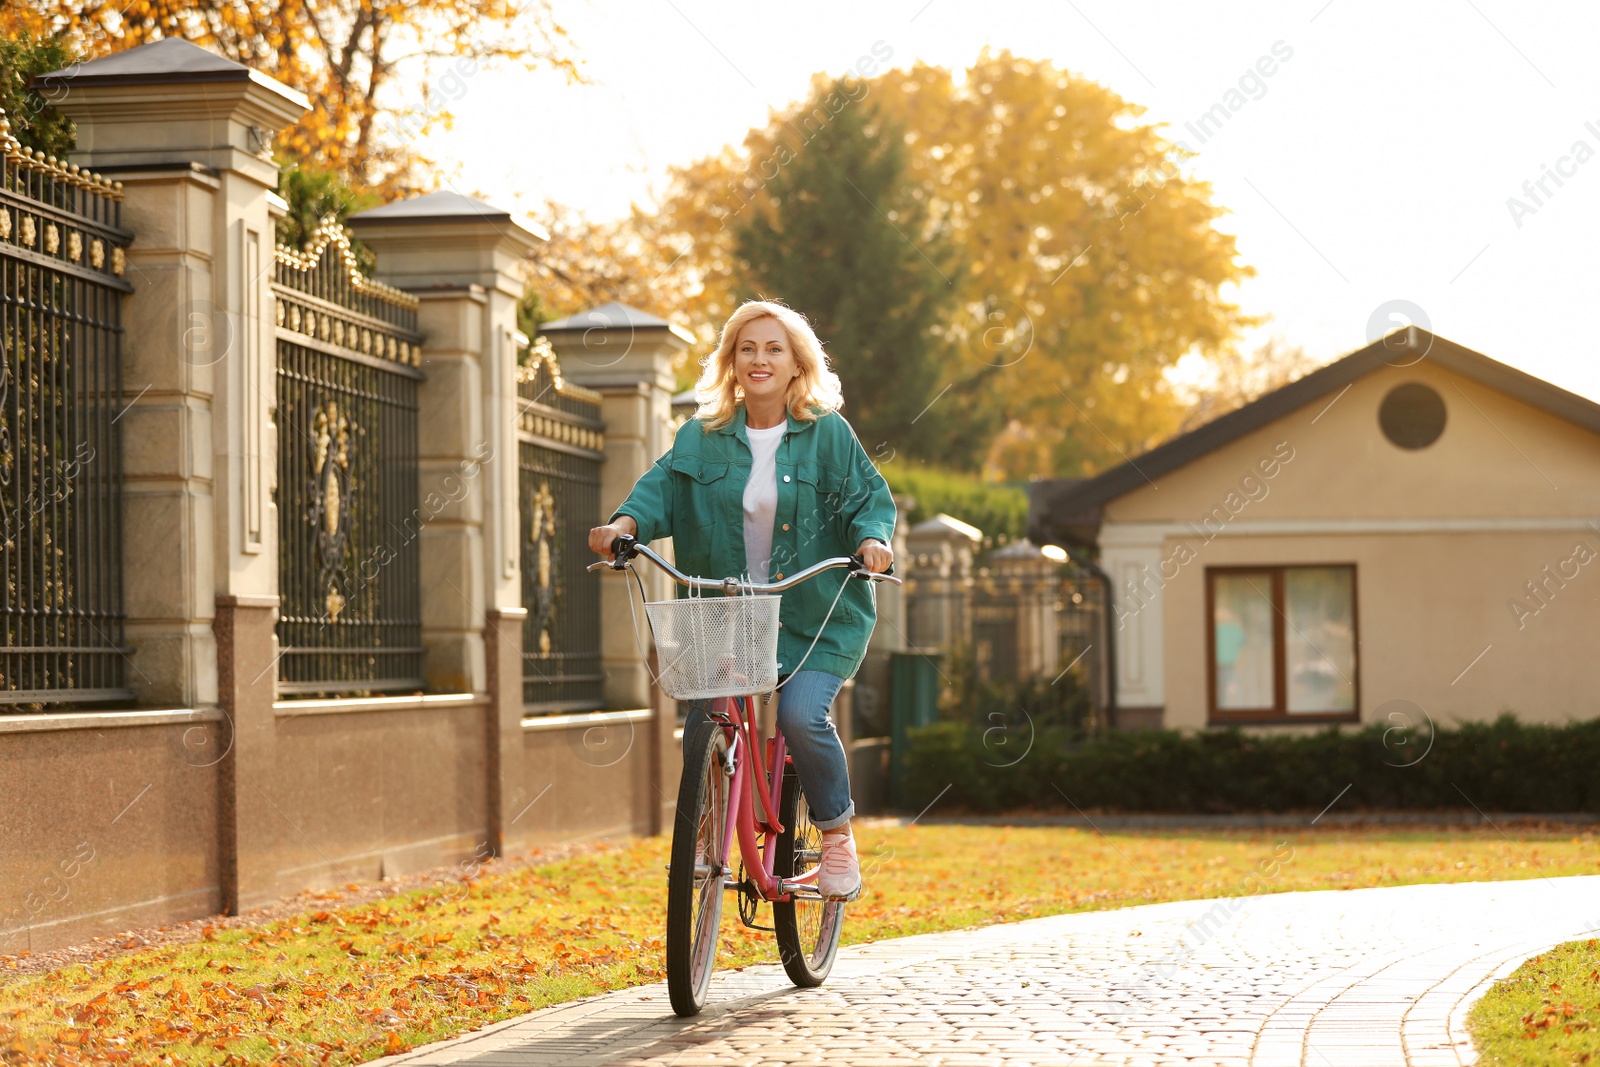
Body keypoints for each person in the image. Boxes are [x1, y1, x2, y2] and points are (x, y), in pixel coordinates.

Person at [588, 299, 896, 901]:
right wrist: (622, 524)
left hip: (814, 613)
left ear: (795, 364)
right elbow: (658, 493)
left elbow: (869, 498)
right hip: (723, 610)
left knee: (803, 717)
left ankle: (835, 836)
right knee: (705, 724)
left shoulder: (826, 434)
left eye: (773, 348)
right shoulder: (698, 439)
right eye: (747, 348)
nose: (759, 359)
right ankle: (707, 838)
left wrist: (873, 541)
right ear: (731, 361)